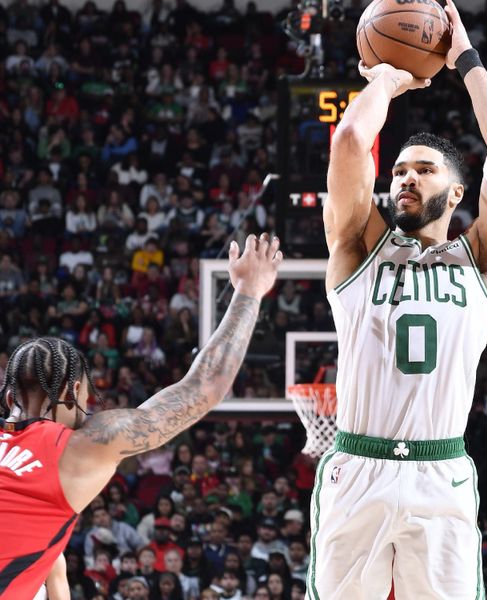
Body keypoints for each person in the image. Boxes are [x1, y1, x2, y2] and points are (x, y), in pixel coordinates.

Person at [309, 0, 487, 595]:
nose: (406, 177)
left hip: (441, 471)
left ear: (458, 192)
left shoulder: (482, 259)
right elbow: (353, 138)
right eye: (401, 170)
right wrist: (385, 75)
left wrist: (466, 59)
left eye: (425, 170)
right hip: (358, 463)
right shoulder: (358, 246)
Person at [0, 233, 282, 599]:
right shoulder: (79, 447)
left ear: (9, 399)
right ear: (72, 393)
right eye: (87, 397)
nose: (88, 411)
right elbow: (203, 388)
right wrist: (249, 291)